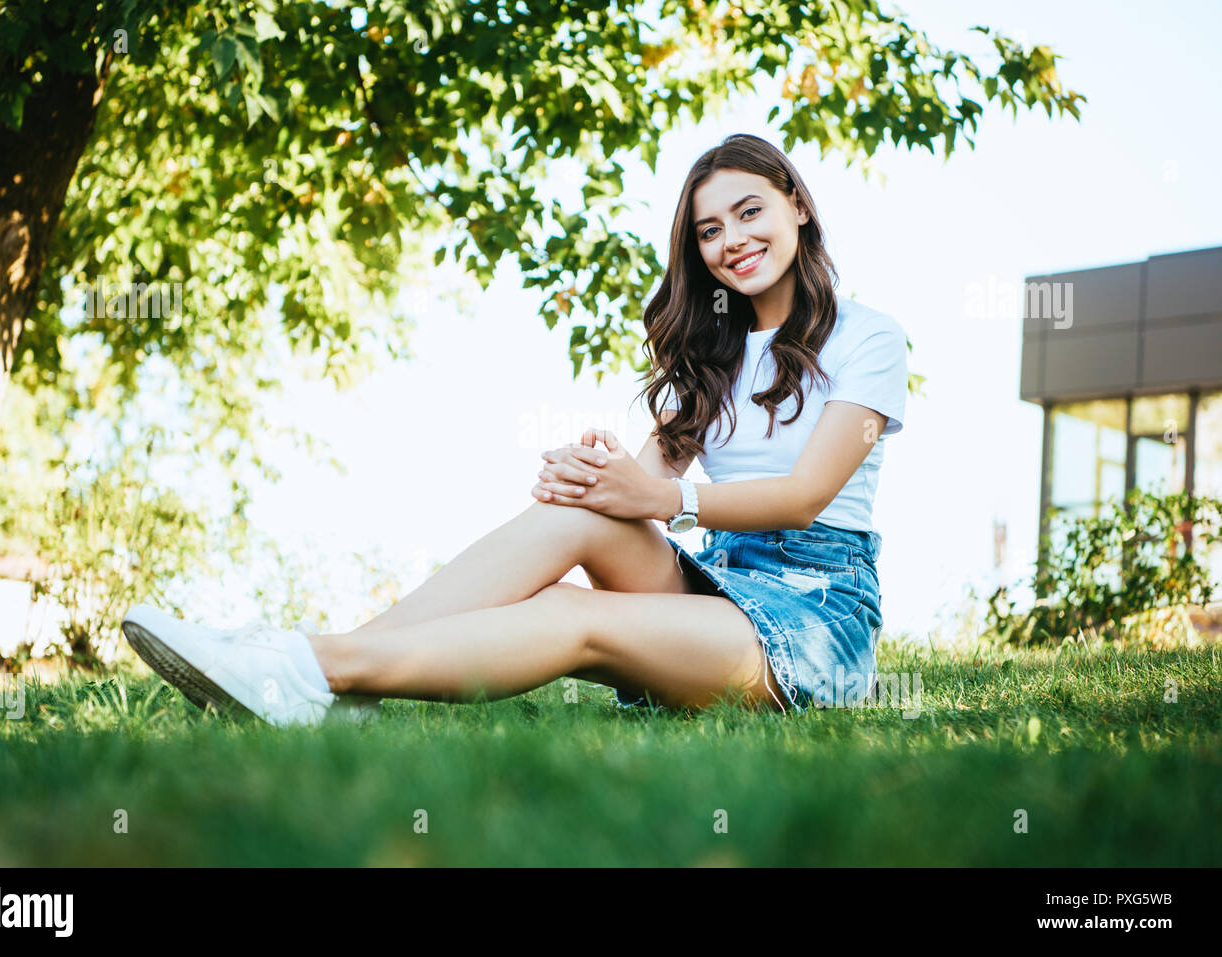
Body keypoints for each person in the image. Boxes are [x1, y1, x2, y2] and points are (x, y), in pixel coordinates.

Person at [121, 132, 908, 727]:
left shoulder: (868, 336)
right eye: (709, 231)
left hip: (814, 614)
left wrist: (660, 497)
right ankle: (331, 678)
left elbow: (806, 497)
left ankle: (309, 667)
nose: (731, 240)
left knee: (576, 614)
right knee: (579, 511)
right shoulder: (715, 348)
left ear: (796, 206)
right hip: (720, 582)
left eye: (749, 212)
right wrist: (597, 480)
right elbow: (639, 494)